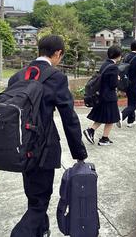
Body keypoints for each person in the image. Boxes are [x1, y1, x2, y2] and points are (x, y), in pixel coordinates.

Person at [10, 35, 88, 237]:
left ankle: (42, 230)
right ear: (57, 53)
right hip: (43, 146)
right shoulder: (56, 77)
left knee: (33, 194)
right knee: (40, 200)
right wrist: (79, 152)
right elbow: (68, 117)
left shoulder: (18, 76)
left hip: (20, 145)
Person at [83, 45, 122, 146]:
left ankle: (91, 131)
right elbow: (113, 84)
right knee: (111, 118)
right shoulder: (114, 67)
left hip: (101, 95)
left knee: (102, 116)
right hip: (109, 97)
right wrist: (118, 79)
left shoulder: (105, 64)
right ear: (118, 56)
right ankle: (104, 139)